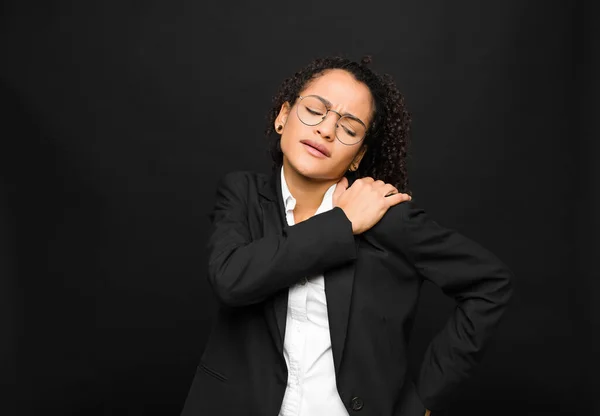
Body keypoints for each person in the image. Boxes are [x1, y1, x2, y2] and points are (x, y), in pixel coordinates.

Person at [180, 56, 514, 416]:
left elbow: (490, 284)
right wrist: (342, 223)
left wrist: (421, 402)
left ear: (358, 157)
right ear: (283, 117)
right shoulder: (242, 194)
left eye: (349, 129)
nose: (325, 130)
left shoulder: (387, 217)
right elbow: (231, 279)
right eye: (315, 110)